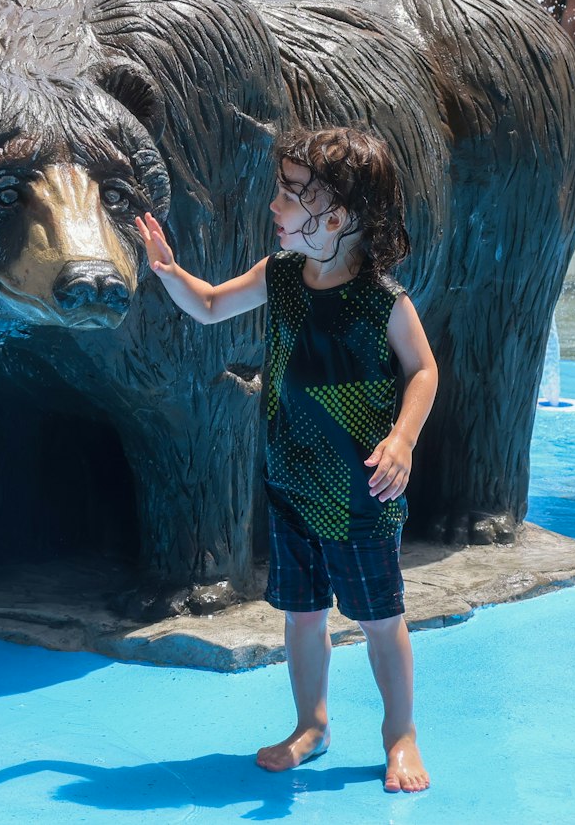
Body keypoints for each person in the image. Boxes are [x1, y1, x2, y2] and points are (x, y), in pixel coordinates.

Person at [136, 127, 438, 795]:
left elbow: (423, 370)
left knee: (381, 618)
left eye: (292, 195)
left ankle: (400, 732)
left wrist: (403, 438)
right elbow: (212, 305)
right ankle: (312, 723)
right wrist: (168, 271)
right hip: (293, 484)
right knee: (302, 613)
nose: (275, 204)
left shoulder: (381, 300)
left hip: (361, 490)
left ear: (336, 219)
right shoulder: (280, 276)